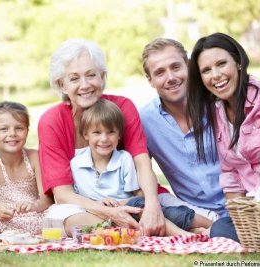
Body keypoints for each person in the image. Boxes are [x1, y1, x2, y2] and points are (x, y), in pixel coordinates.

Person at [38, 38, 168, 237]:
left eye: (91, 75)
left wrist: (152, 204)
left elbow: (142, 162)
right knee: (59, 219)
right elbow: (62, 194)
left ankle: (140, 224)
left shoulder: (123, 107)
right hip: (83, 206)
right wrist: (110, 213)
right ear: (61, 84)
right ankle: (141, 228)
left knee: (164, 208)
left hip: (132, 199)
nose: (85, 85)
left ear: (102, 77)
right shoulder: (51, 121)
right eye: (74, 78)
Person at [187, 32, 260, 242]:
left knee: (226, 232)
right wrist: (239, 215)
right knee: (221, 228)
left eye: (221, 64)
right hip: (255, 208)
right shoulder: (216, 111)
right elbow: (230, 169)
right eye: (206, 70)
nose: (215, 75)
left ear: (237, 62)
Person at [72, 99, 211, 235]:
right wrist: (100, 205)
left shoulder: (124, 159)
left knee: (160, 210)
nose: (104, 139)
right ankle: (185, 235)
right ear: (85, 134)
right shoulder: (76, 163)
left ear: (119, 135)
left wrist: (118, 204)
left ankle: (210, 224)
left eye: (110, 132)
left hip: (131, 208)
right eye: (97, 132)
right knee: (150, 212)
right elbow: (75, 198)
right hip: (100, 215)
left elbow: (137, 195)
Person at [139, 38, 228, 221]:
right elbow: (139, 172)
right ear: (150, 80)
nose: (171, 77)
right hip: (197, 215)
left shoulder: (219, 103)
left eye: (176, 67)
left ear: (188, 66)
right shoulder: (144, 121)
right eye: (160, 72)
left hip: (243, 203)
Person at [0, 101, 53, 235]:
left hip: (35, 218)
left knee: (61, 212)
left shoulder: (35, 157)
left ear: (27, 131)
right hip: (2, 223)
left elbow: (47, 199)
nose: (12, 133)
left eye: (19, 128)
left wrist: (34, 205)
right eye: (3, 129)